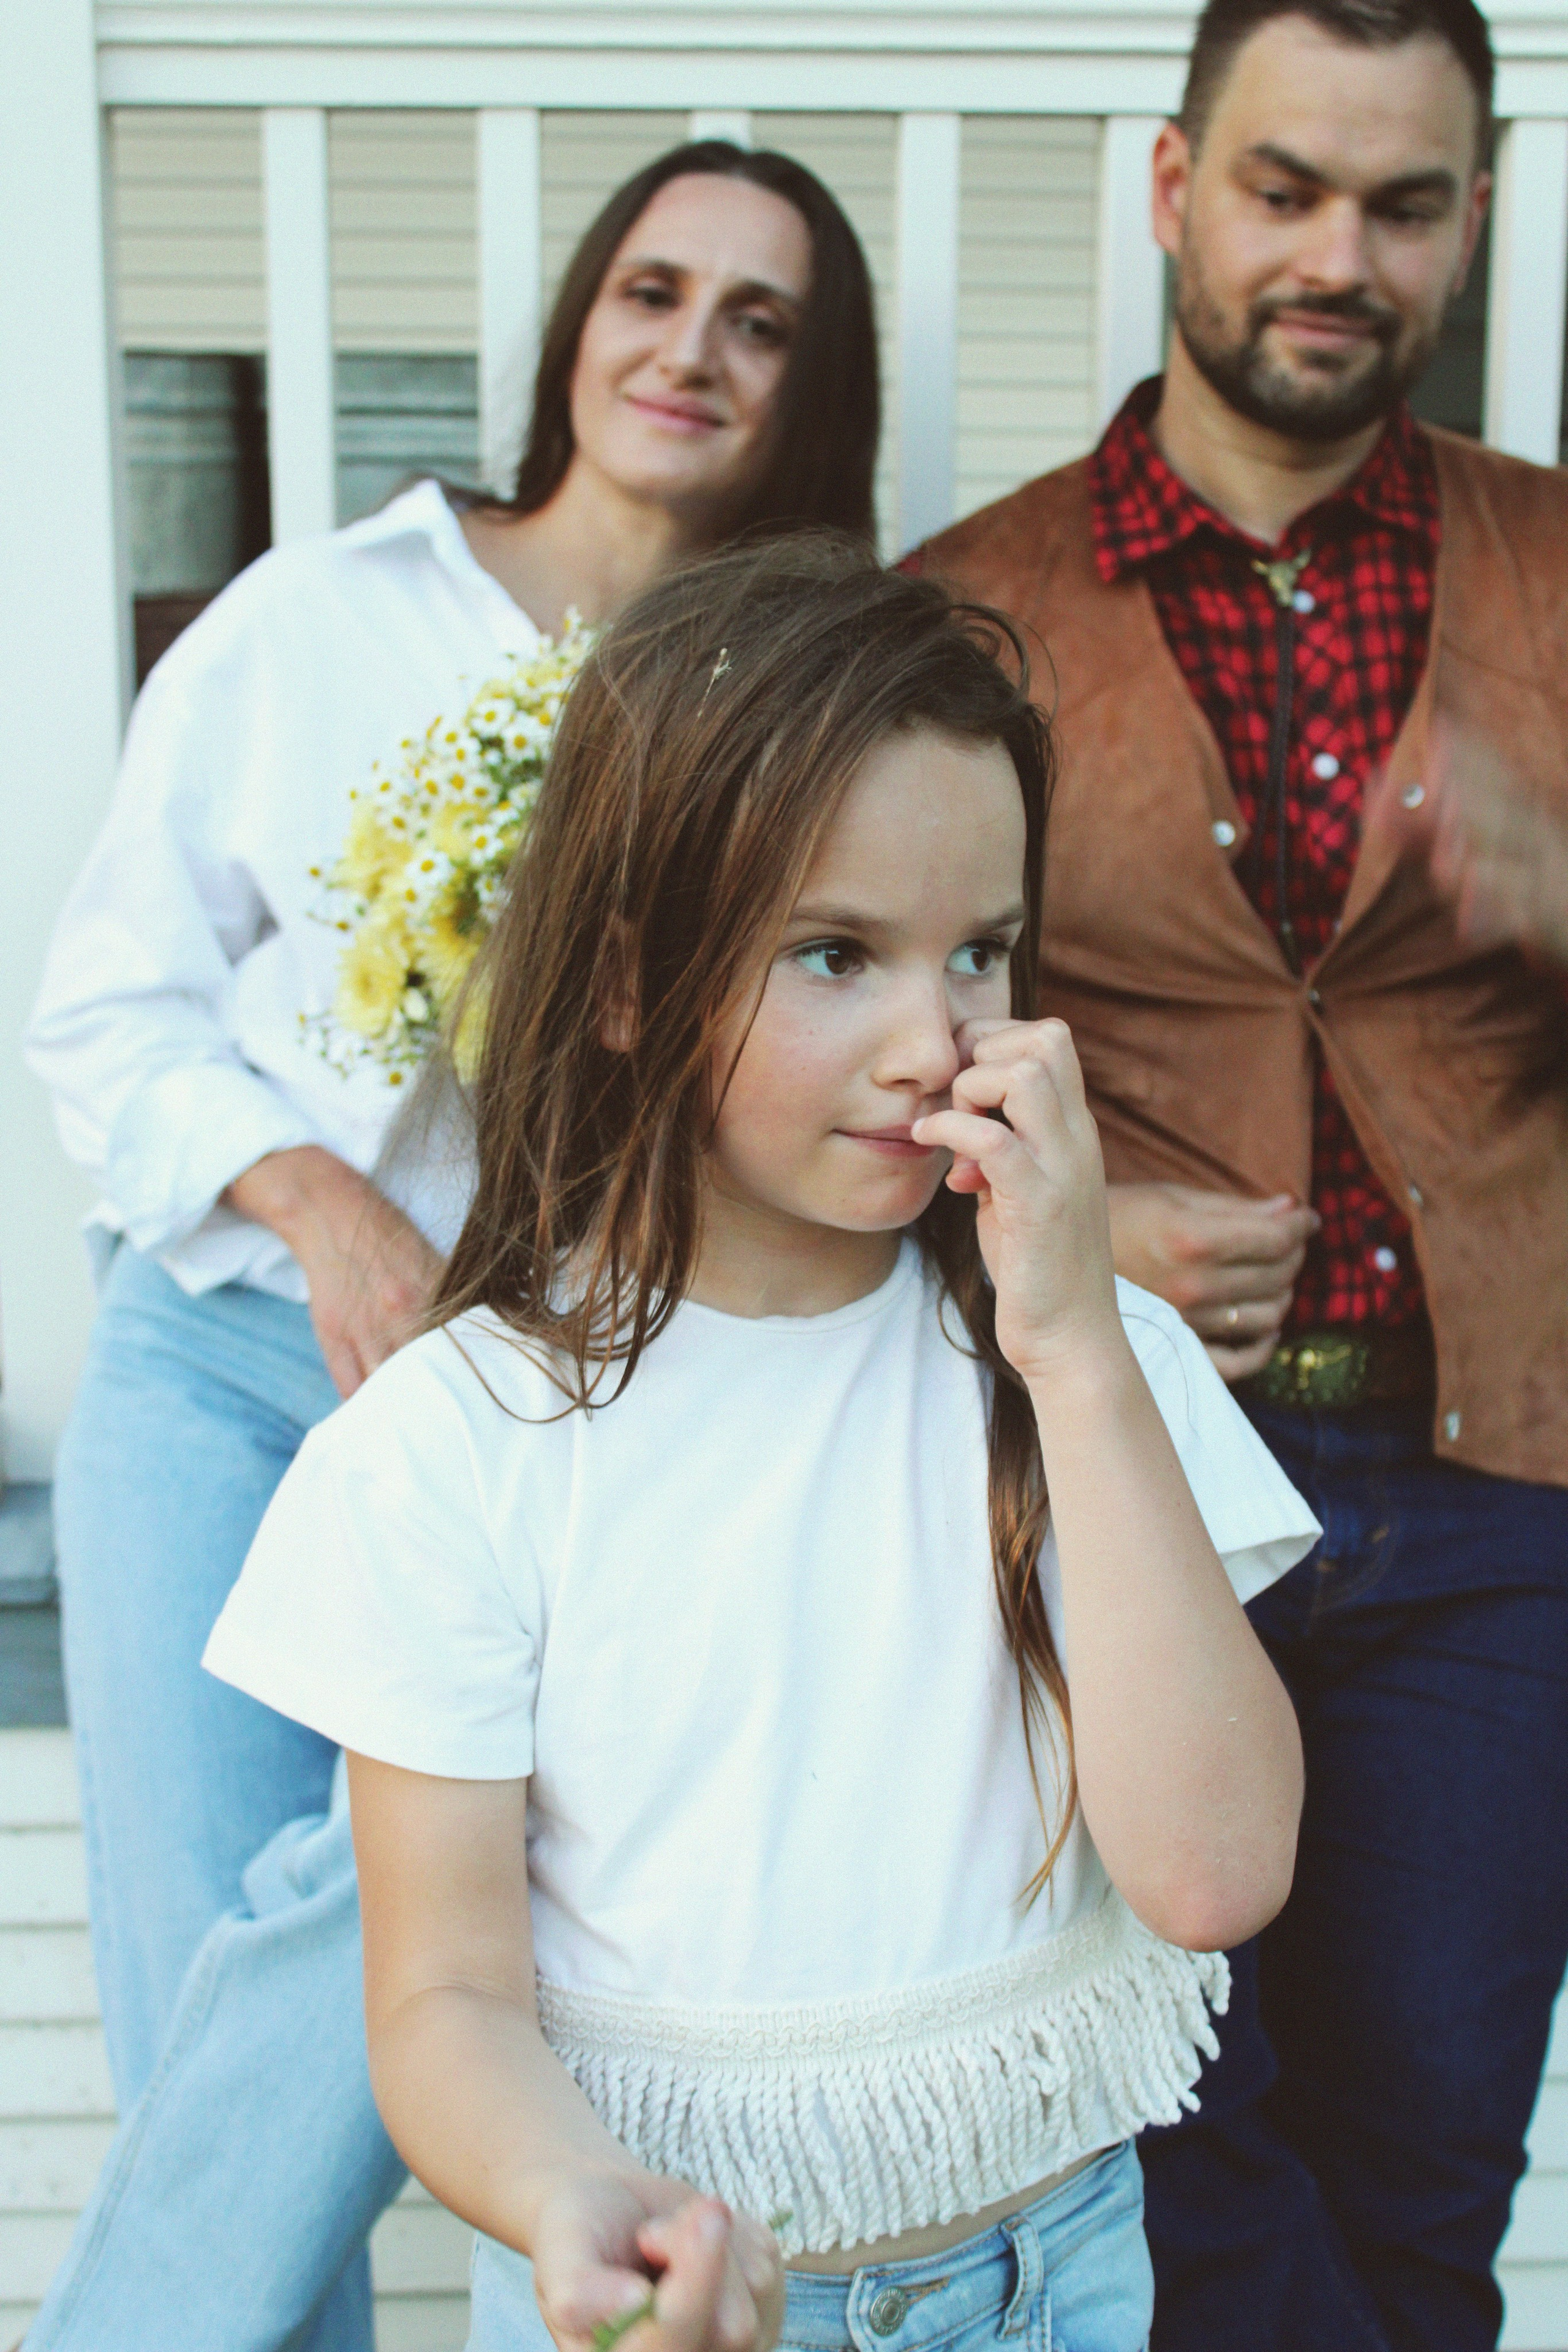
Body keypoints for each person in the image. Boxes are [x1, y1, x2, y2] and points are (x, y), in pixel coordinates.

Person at [202, 535, 1314, 2352]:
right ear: (635, 983)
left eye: (980, 951)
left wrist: (1078, 1354)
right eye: (833, 955)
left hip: (1058, 2279)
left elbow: (1212, 1880)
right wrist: (575, 2199)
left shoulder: (1092, 1372)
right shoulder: (460, 1445)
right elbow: (447, 1995)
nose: (930, 1037)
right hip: (678, 2308)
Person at [23, 142, 880, 2352]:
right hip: (225, 1377)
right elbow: (102, 1001)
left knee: (432, 1989)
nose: (690, 348)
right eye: (653, 290)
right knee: (215, 2009)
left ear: (815, 391)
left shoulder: (783, 714)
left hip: (550, 1408)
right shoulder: (322, 619)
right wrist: (315, 1200)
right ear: (579, 323)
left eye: (758, 321)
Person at [909, 0, 1568, 2344]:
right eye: (1287, 188)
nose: (1339, 255)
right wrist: (1058, 1250)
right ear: (1176, 188)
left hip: (1503, 1497)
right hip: (1115, 1485)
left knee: (1422, 2160)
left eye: (1403, 204)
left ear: (1472, 223)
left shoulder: (1561, 568)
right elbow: (851, 1063)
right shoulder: (960, 603)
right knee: (1146, 2146)